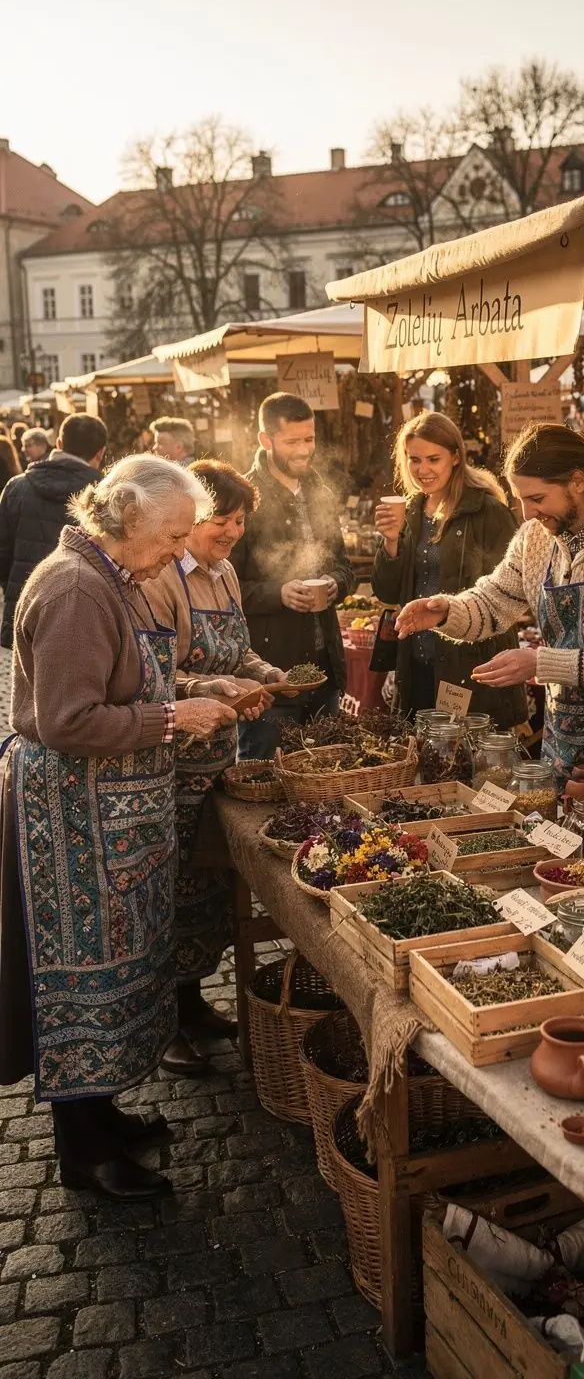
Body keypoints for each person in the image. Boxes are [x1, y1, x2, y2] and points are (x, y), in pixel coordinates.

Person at [0, 456, 235, 1200]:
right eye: (171, 535)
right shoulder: (75, 587)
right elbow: (68, 719)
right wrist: (174, 718)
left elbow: (134, 680)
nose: (178, 550)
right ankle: (85, 1152)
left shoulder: (113, 576)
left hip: (112, 816)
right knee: (84, 986)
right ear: (127, 519)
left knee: (121, 972)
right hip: (73, 823)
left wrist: (196, 690)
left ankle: (104, 1117)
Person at [395, 424, 584, 783]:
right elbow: (493, 600)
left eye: (537, 498)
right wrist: (446, 611)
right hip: (562, 740)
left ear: (577, 482)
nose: (527, 513)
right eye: (521, 499)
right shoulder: (535, 537)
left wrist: (538, 662)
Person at [144, 459, 287, 1075]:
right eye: (219, 520)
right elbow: (154, 678)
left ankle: (194, 1002)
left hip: (223, 760)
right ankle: (163, 1023)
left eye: (238, 521)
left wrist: (265, 674)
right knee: (169, 891)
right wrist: (212, 685)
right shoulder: (161, 580)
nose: (230, 531)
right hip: (171, 763)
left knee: (206, 888)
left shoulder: (224, 573)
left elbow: (241, 647)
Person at [372, 411, 526, 726]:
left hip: (471, 666)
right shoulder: (410, 511)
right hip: (417, 664)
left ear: (455, 457)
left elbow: (510, 592)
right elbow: (386, 591)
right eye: (415, 460)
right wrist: (390, 543)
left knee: (472, 764)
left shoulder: (488, 511)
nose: (423, 469)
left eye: (433, 459)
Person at [231, 392, 355, 757]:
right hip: (272, 676)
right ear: (265, 440)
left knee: (324, 786)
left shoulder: (321, 490)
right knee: (266, 784)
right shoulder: (243, 498)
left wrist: (337, 583)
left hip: (325, 671)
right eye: (292, 441)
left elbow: (344, 565)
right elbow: (225, 587)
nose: (304, 450)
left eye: (309, 439)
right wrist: (278, 593)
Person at [0, 412, 108, 648]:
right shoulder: (105, 493)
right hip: (83, 606)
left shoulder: (17, 486)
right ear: (100, 452)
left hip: (24, 602)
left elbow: (2, 550)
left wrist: (14, 588)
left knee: (27, 681)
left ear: (58, 444)